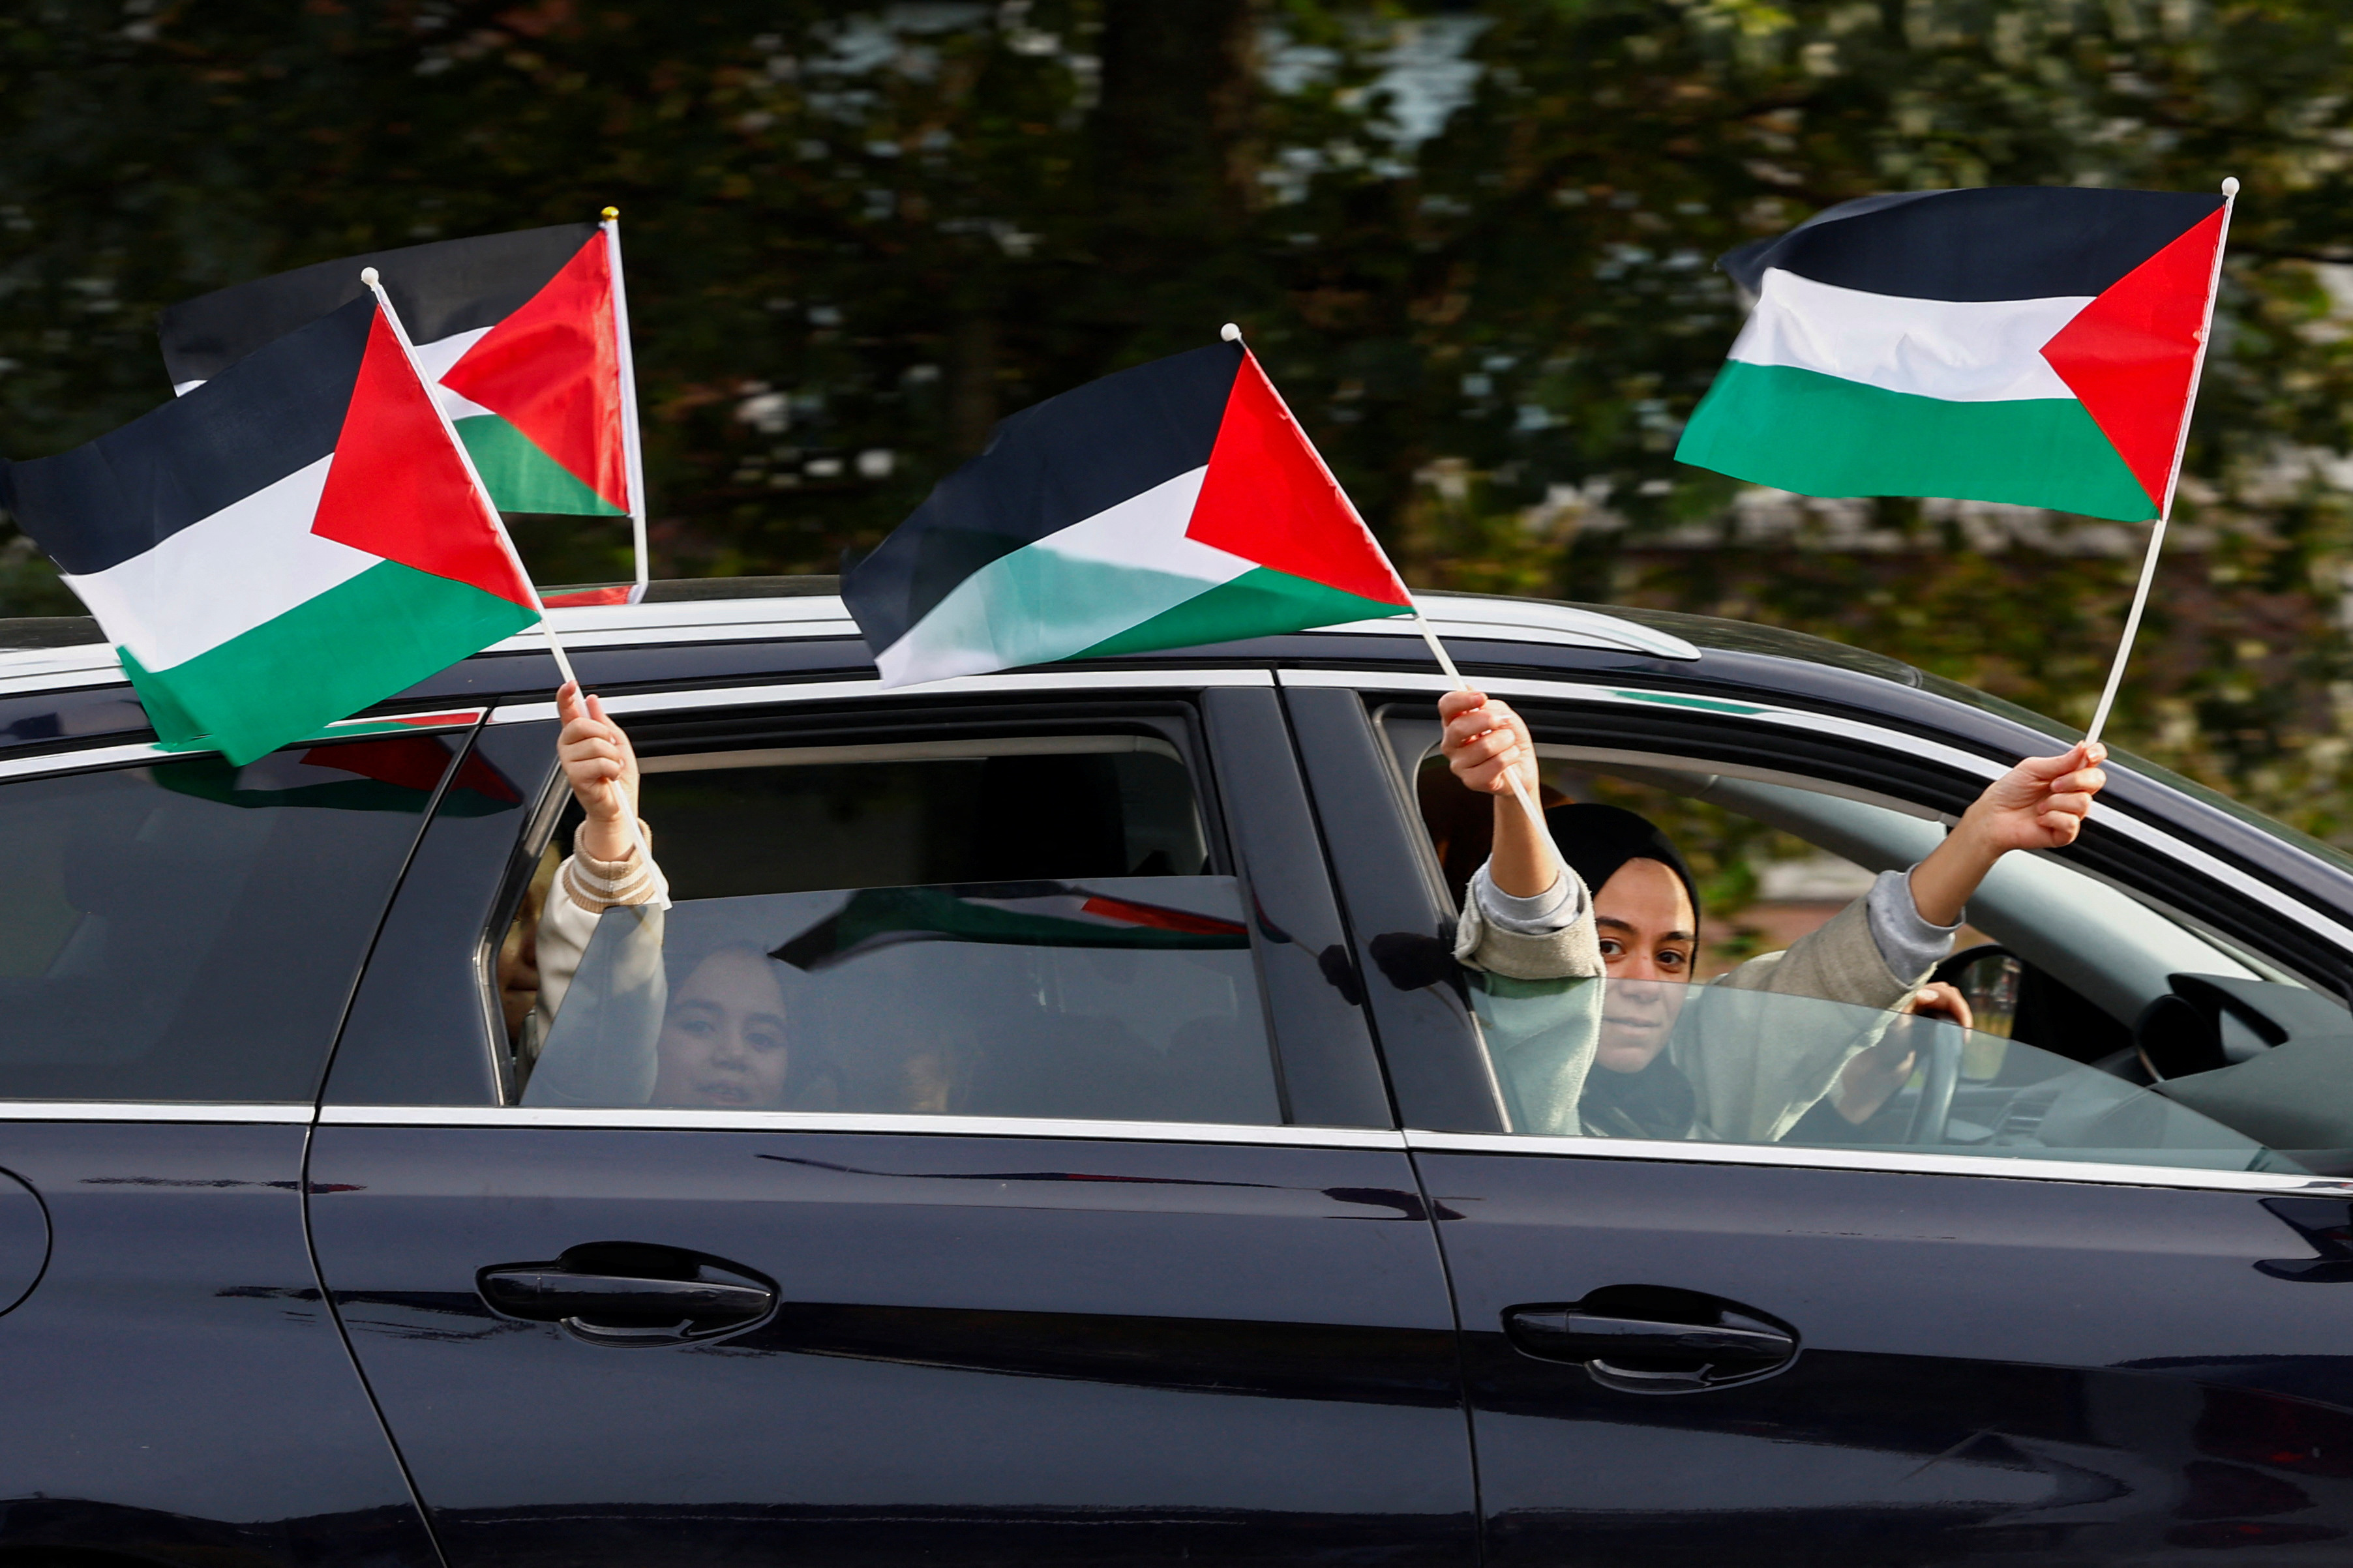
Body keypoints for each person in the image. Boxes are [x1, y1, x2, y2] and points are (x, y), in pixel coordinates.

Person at [1437, 687, 2108, 1141]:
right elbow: (1537, 959)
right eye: (1606, 947)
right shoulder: (1504, 1080)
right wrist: (1515, 796)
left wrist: (1981, 836)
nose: (1645, 985)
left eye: (1671, 957)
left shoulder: (1693, 1080)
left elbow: (1833, 981)